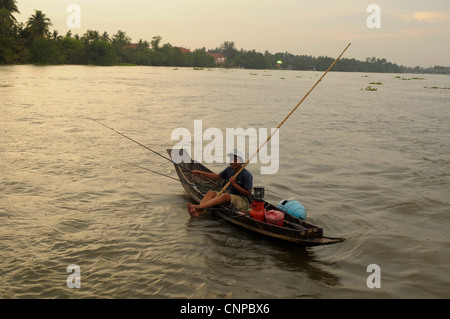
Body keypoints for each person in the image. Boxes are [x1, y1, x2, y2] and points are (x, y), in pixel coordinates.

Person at [187, 150, 253, 218]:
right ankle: (199, 212)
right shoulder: (229, 169)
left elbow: (248, 194)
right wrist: (200, 173)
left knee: (225, 196)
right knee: (210, 193)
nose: (232, 162)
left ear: (241, 161)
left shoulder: (246, 175)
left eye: (235, 160)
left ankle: (199, 207)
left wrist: (234, 184)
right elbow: (217, 177)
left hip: (243, 201)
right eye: (231, 159)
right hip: (232, 196)